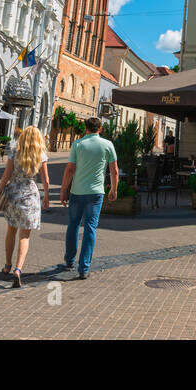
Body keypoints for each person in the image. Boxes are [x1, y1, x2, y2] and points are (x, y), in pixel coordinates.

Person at [60, 116, 118, 280]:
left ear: (86, 128)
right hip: (96, 193)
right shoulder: (107, 145)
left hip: (77, 192)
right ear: (99, 129)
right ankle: (84, 268)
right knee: (90, 228)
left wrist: (64, 189)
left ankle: (70, 260)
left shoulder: (78, 144)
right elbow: (114, 170)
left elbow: (70, 169)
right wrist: (114, 189)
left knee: (73, 225)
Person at [0, 125, 51, 287]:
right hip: (30, 194)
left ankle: (7, 265)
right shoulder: (41, 154)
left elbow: (6, 176)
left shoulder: (14, 151)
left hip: (13, 193)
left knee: (11, 229)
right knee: (25, 236)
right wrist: (46, 196)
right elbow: (46, 180)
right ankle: (18, 269)